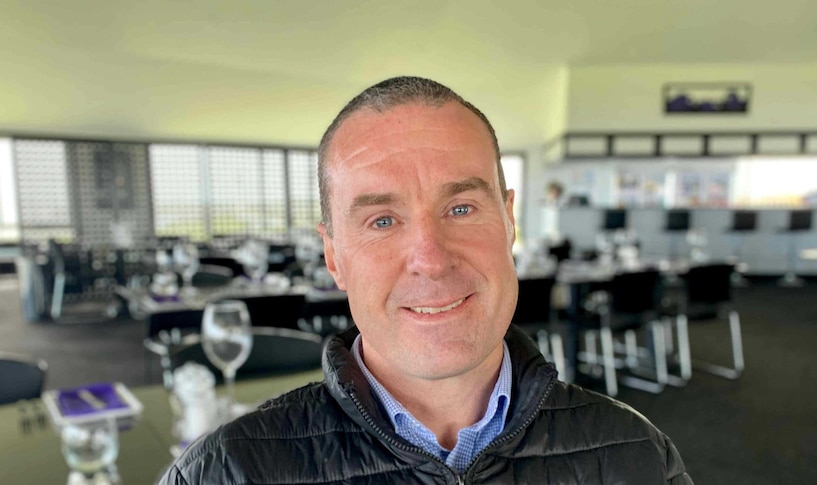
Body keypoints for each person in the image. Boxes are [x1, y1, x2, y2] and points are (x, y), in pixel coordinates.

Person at [160, 76, 693, 484]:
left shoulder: (639, 454)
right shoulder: (224, 471)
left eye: (461, 208)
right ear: (333, 255)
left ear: (509, 221)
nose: (430, 260)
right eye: (382, 221)